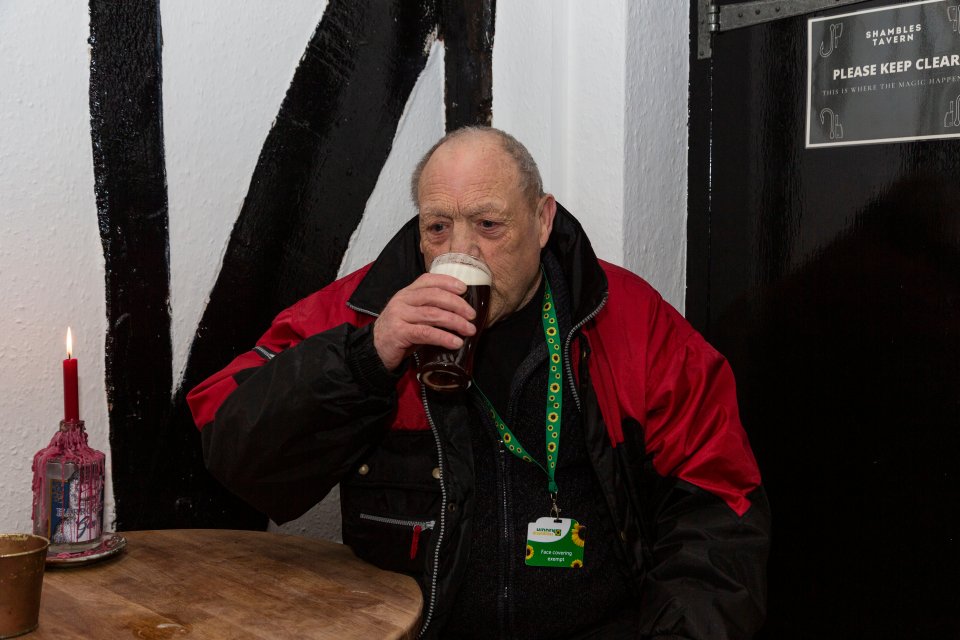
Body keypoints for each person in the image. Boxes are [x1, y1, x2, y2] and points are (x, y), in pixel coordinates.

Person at [187, 126, 770, 639]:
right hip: (418, 630)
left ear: (542, 221)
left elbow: (719, 501)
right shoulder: (366, 311)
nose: (461, 252)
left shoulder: (629, 319)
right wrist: (370, 356)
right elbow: (232, 443)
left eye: (489, 225)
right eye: (438, 227)